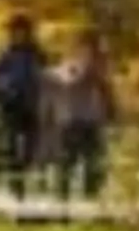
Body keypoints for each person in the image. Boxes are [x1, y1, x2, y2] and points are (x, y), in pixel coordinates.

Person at [0, 14, 49, 199]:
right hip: (10, 103)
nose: (16, 35)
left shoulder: (37, 53)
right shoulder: (5, 54)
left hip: (31, 103)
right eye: (13, 31)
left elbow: (46, 76)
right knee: (11, 142)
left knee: (31, 143)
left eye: (20, 31)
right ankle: (15, 181)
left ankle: (23, 170)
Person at [47, 29, 117, 202]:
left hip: (91, 119)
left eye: (93, 48)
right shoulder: (69, 66)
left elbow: (107, 91)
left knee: (94, 160)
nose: (90, 52)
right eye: (87, 47)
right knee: (67, 159)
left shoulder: (100, 67)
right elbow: (63, 81)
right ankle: (62, 195)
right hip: (71, 118)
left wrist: (111, 109)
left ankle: (91, 195)